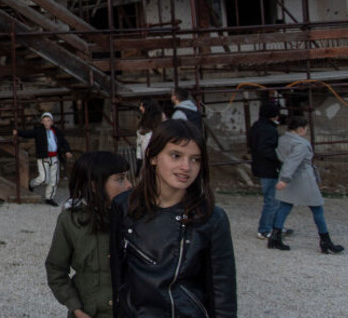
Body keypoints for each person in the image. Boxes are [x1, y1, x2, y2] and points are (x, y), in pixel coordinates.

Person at [110, 120, 237, 317]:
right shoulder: (123, 206)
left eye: (195, 159)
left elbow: (222, 291)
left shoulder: (211, 218)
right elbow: (118, 274)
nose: (186, 166)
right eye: (176, 155)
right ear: (153, 157)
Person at [45, 151, 133, 318]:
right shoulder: (70, 220)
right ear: (95, 185)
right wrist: (76, 308)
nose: (129, 185)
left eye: (127, 178)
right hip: (88, 312)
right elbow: (56, 269)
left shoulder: (135, 219)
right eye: (120, 179)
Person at [270, 116, 345, 253]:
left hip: (288, 176)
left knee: (285, 206)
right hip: (303, 178)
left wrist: (284, 178)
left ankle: (275, 237)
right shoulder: (301, 144)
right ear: (300, 129)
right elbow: (293, 161)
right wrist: (285, 179)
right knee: (317, 208)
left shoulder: (283, 140)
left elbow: (285, 159)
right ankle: (325, 240)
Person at [249, 97, 292, 241]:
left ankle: (276, 226)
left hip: (262, 167)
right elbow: (264, 149)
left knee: (275, 199)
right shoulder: (268, 129)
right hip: (268, 168)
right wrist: (280, 157)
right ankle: (265, 229)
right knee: (272, 200)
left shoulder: (257, 126)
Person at [17, 112, 74, 207]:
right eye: (45, 121)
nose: (47, 123)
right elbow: (28, 133)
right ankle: (31, 184)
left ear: (52, 122)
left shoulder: (56, 132)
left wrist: (67, 151)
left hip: (54, 157)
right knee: (44, 179)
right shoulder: (39, 131)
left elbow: (63, 142)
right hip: (44, 157)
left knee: (54, 179)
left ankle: (49, 197)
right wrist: (18, 132)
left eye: (48, 121)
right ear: (42, 122)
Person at [134, 98, 165, 176]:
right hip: (145, 154)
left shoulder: (160, 118)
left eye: (142, 105)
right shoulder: (144, 120)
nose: (140, 108)